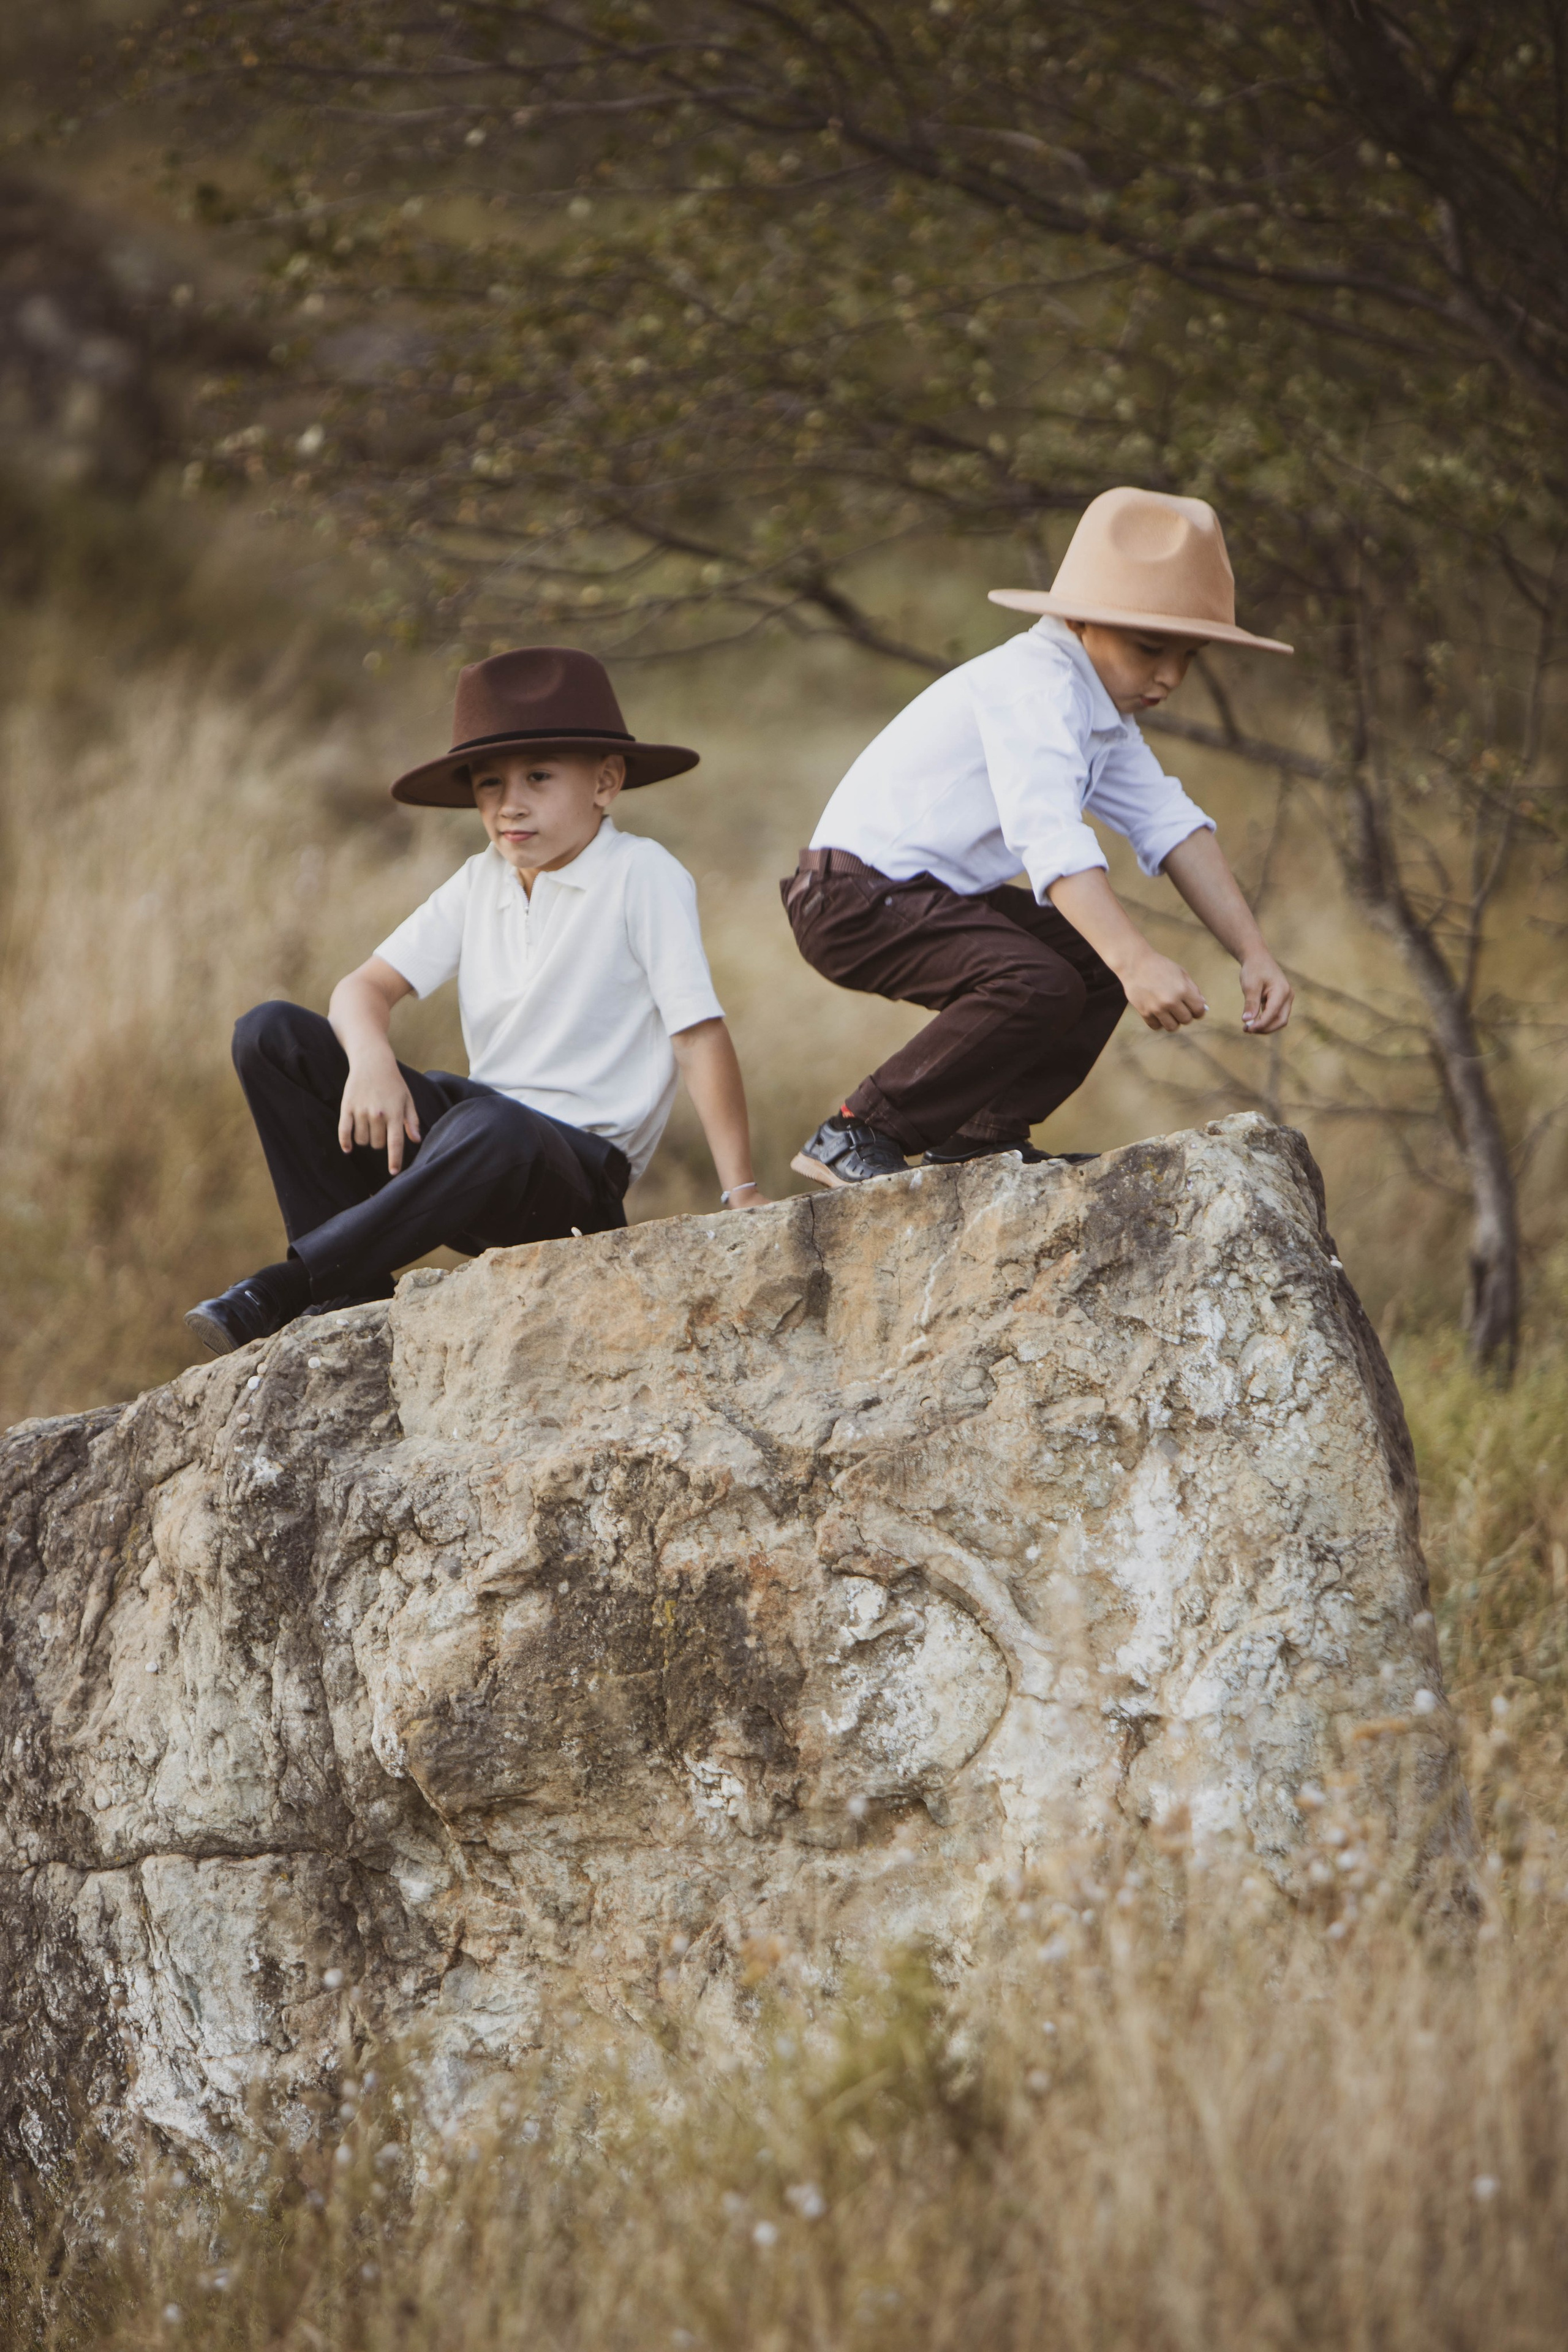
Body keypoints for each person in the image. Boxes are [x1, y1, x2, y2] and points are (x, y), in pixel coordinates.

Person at [186, 646, 769, 1355]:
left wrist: (741, 1192)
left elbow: (697, 1035)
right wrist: (370, 1060)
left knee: (493, 1125)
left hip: (567, 1179)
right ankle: (349, 1290)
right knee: (271, 1034)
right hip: (466, 1147)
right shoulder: (480, 879)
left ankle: (293, 1283)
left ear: (606, 782)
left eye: (538, 777)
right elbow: (362, 988)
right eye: (489, 784)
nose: (509, 804)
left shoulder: (641, 873)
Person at [782, 486, 1296, 1186]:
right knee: (1040, 980)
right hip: (853, 898)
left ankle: (978, 1139)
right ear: (1081, 620)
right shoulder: (1037, 686)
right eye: (1150, 648)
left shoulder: (1098, 710)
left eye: (1190, 655)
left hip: (921, 895)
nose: (1170, 677)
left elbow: (1169, 823)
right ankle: (855, 1131)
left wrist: (1253, 952)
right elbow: (1049, 835)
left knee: (1088, 970)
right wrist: (1136, 959)